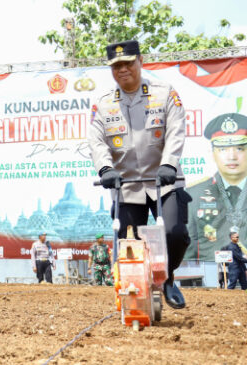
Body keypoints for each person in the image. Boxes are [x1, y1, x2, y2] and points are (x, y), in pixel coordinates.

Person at [88, 40, 190, 309]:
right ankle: (137, 288)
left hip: (164, 181)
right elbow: (96, 141)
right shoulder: (103, 103)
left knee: (175, 233)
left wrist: (169, 163)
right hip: (128, 186)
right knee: (127, 244)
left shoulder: (164, 92)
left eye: (128, 63)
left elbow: (176, 130)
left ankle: (167, 278)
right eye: (116, 66)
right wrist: (105, 169)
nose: (122, 69)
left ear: (140, 61)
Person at [186, 113, 247, 262]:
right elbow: (188, 253)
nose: (232, 156)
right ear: (213, 153)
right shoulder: (193, 195)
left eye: (239, 148)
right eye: (223, 149)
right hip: (211, 281)